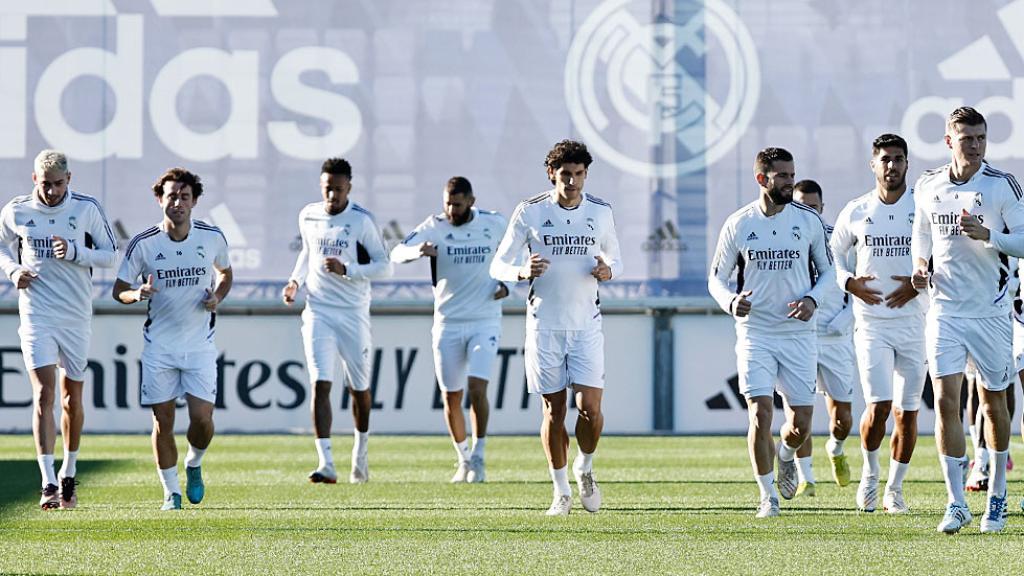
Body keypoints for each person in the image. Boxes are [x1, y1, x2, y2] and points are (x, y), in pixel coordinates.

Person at [490, 139, 621, 516]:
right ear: (552, 174)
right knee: (553, 410)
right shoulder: (530, 211)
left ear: (586, 174)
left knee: (590, 409)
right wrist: (521, 271)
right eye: (565, 174)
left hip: (586, 325)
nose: (572, 182)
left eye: (579, 174)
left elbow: (616, 259)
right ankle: (561, 491)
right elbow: (498, 265)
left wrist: (608, 270)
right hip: (544, 325)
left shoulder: (600, 211)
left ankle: (585, 466)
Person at [911, 106, 1024, 533]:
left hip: (991, 312)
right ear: (948, 141)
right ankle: (956, 502)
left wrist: (989, 236)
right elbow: (922, 233)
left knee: (993, 402)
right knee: (945, 401)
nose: (975, 146)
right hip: (944, 310)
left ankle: (997, 494)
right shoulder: (928, 184)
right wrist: (919, 265)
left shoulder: (1001, 185)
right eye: (966, 139)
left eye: (980, 138)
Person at [708, 147, 834, 518]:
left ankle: (787, 454)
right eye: (783, 176)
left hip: (798, 334)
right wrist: (731, 302)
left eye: (792, 175)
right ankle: (767, 497)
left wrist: (812, 299)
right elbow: (716, 279)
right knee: (760, 415)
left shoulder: (808, 221)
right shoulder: (739, 223)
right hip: (756, 334)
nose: (790, 182)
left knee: (800, 425)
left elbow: (830, 272)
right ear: (762, 178)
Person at [0, 149, 117, 510]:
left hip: (75, 316)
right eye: (45, 184)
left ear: (69, 180)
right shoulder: (17, 210)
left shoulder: (85, 208)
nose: (51, 192)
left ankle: (69, 470)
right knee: (43, 395)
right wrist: (13, 271)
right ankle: (48, 481)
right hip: (37, 314)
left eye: (58, 185)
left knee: (71, 399)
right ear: (34, 179)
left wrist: (77, 252)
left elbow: (111, 254)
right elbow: (2, 246)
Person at [112, 168, 232, 510]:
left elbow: (225, 273)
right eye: (171, 196)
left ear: (194, 201)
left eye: (184, 196)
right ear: (159, 199)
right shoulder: (144, 243)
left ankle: (194, 463)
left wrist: (217, 296)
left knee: (202, 420)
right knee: (162, 422)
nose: (177, 202)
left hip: (199, 346)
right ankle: (171, 493)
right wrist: (137, 294)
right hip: (159, 348)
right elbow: (119, 290)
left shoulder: (211, 237)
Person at [831, 134, 926, 514]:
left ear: (907, 164)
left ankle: (895, 489)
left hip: (916, 322)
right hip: (872, 323)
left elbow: (943, 252)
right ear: (873, 164)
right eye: (885, 159)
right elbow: (833, 253)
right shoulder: (856, 210)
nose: (892, 166)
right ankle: (870, 474)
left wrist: (919, 284)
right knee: (880, 406)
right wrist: (848, 282)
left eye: (899, 159)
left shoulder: (922, 206)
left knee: (908, 412)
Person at [390, 176, 509, 483]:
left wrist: (507, 284)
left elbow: (516, 252)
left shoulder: (494, 223)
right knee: (450, 397)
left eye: (457, 204)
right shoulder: (434, 226)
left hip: (484, 319)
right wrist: (418, 251)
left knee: (477, 388)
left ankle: (479, 455)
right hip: (447, 323)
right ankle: (463, 458)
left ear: (471, 201)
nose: (451, 210)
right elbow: (397, 252)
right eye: (447, 204)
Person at [282, 158, 392, 485]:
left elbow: (385, 267)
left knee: (359, 389)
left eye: (339, 189)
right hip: (318, 310)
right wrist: (295, 281)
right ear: (321, 185)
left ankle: (360, 455)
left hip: (353, 313)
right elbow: (308, 253)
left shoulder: (361, 221)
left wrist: (349, 270)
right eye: (328, 188)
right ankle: (326, 463)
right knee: (320, 383)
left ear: (349, 188)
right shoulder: (309, 215)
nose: (333, 195)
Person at [790, 180, 854, 498]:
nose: (809, 212)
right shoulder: (785, 239)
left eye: (814, 207)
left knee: (843, 418)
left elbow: (858, 284)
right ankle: (806, 477)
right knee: (800, 412)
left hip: (835, 338)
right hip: (799, 336)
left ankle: (836, 447)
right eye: (802, 206)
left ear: (822, 208)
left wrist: (846, 319)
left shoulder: (838, 239)